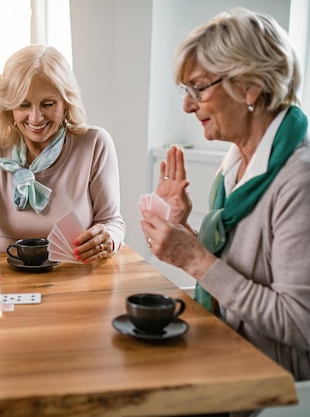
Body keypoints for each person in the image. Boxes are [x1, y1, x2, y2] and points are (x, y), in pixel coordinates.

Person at [140, 7, 310, 388]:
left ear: (250, 85)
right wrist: (181, 232)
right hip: (228, 358)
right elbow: (238, 275)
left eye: (199, 87)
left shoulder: (300, 181)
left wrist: (196, 260)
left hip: (275, 389)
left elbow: (301, 323)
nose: (187, 104)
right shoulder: (235, 165)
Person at [0, 45, 126, 284]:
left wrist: (109, 238)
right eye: (24, 105)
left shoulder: (95, 144)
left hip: (77, 276)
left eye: (48, 104)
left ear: (66, 102)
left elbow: (112, 222)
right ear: (9, 107)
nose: (35, 118)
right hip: (6, 279)